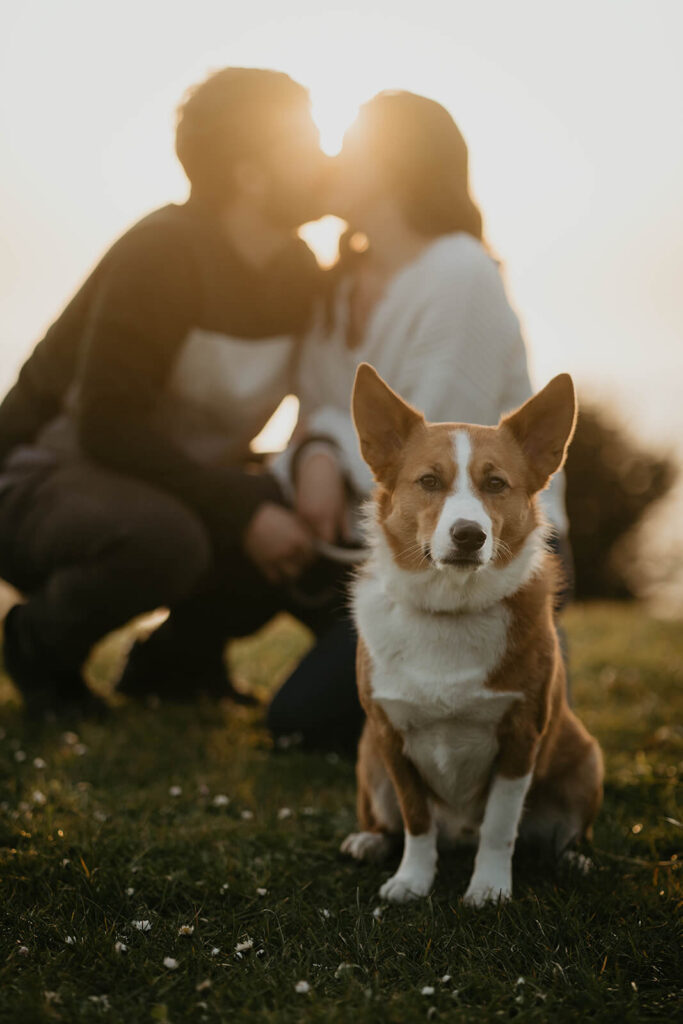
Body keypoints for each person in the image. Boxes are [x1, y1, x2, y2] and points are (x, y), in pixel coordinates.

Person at [0, 67, 334, 718]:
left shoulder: (297, 271)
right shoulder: (161, 255)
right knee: (172, 538)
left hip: (157, 484)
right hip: (36, 483)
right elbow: (106, 426)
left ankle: (176, 664)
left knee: (292, 517)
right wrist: (242, 509)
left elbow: (327, 383)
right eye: (310, 141)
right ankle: (38, 646)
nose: (328, 158)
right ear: (250, 174)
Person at [267, 90, 571, 752]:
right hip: (375, 547)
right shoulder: (338, 286)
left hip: (477, 559)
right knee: (242, 510)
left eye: (347, 147)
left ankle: (531, 644)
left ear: (394, 166)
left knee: (300, 724)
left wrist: (321, 451)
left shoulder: (460, 275)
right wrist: (316, 448)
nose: (327, 159)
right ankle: (176, 664)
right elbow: (316, 412)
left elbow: (431, 444)